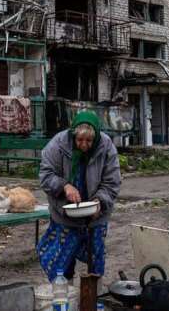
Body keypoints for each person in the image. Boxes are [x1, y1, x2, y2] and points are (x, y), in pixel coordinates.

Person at [37, 110, 122, 281]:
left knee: (95, 259)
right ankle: (64, 294)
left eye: (89, 141)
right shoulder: (59, 144)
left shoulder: (106, 146)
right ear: (73, 135)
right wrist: (64, 186)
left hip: (95, 216)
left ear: (96, 137)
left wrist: (100, 201)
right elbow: (45, 176)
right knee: (61, 263)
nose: (84, 145)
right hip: (65, 213)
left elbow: (112, 182)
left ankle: (92, 295)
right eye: (80, 140)